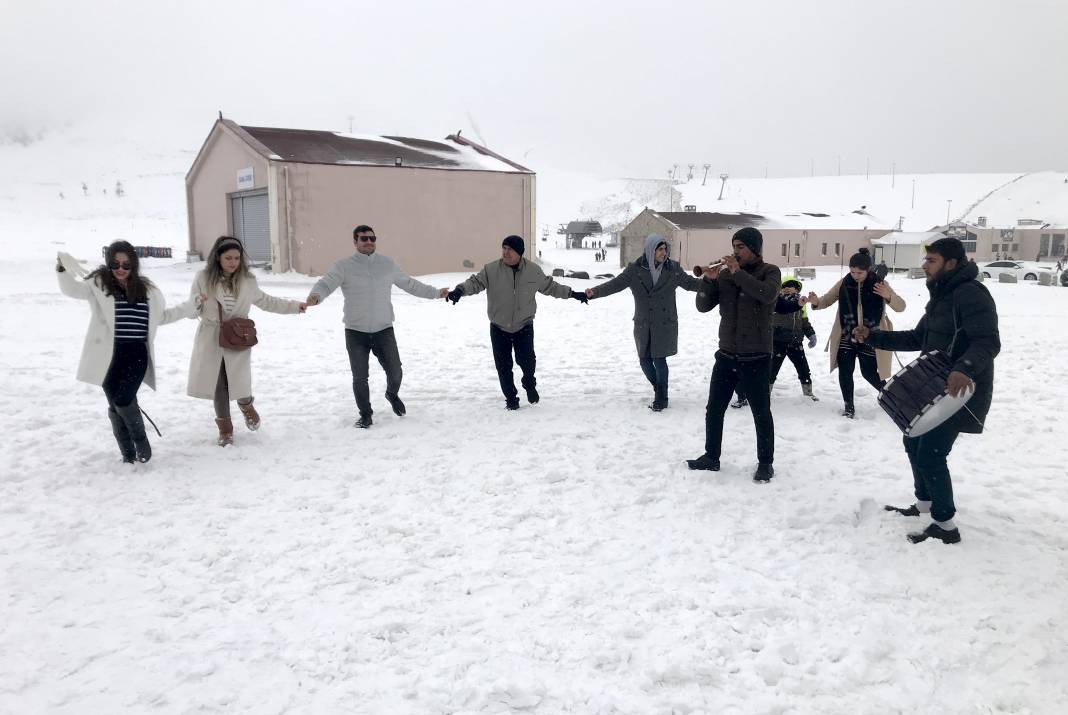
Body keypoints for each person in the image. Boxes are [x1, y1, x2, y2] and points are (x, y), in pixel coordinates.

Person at [853, 237, 999, 544]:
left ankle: (945, 526)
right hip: (935, 386)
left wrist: (964, 368)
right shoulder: (942, 296)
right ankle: (924, 504)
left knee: (931, 453)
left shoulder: (971, 295)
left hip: (960, 392)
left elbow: (987, 341)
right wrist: (873, 337)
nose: (924, 265)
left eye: (931, 260)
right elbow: (918, 338)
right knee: (913, 441)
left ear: (951, 264)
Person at [56, 241, 201, 463]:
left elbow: (162, 317)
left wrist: (192, 305)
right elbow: (72, 289)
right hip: (108, 358)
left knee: (124, 400)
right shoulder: (98, 285)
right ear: (108, 264)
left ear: (134, 265)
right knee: (114, 403)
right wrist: (62, 269)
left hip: (136, 355)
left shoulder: (148, 291)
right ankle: (127, 453)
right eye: (115, 264)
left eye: (126, 264)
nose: (120, 269)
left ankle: (141, 443)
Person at [306, 225, 449, 428]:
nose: (369, 242)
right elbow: (326, 283)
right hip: (356, 332)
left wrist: (436, 293)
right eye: (364, 238)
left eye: (372, 238)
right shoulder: (343, 266)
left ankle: (392, 394)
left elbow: (410, 284)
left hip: (383, 330)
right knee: (360, 377)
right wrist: (316, 296)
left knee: (395, 371)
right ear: (355, 242)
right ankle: (365, 414)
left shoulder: (387, 264)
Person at [186, 236, 306, 446]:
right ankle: (225, 429)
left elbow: (267, 302)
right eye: (228, 258)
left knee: (238, 380)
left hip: (237, 336)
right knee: (218, 384)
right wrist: (196, 304)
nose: (233, 262)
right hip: (211, 337)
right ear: (218, 258)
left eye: (237, 258)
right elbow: (191, 309)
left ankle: (246, 405)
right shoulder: (202, 278)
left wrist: (295, 307)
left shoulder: (248, 281)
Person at [447, 234, 587, 409]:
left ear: (519, 252)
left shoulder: (533, 271)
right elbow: (475, 282)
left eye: (510, 249)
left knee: (527, 362)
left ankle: (529, 383)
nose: (505, 253)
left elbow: (550, 287)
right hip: (499, 326)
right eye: (504, 248)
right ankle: (511, 398)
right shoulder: (491, 270)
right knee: (503, 366)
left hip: (524, 324)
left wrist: (573, 294)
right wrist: (460, 291)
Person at [686, 227, 780, 482]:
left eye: (740, 247)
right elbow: (703, 306)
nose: (735, 252)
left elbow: (768, 295)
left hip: (756, 356)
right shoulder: (725, 276)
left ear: (754, 249)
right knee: (714, 408)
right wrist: (709, 280)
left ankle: (765, 463)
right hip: (727, 353)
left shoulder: (770, 272)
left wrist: (738, 274)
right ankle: (711, 457)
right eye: (734, 246)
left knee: (761, 412)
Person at [585, 234, 702, 410]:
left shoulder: (673, 269)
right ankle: (658, 387)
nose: (664, 253)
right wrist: (594, 292)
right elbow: (615, 285)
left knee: (659, 359)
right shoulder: (635, 270)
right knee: (644, 360)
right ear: (650, 250)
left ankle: (662, 396)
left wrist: (714, 283)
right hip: (644, 323)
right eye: (660, 249)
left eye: (665, 249)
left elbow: (692, 284)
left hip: (664, 323)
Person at [808, 247, 905, 418]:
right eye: (852, 271)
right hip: (847, 334)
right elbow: (827, 300)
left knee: (869, 373)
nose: (855, 275)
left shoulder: (880, 284)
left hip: (871, 336)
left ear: (868, 270)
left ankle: (893, 398)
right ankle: (848, 406)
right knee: (845, 370)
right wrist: (816, 302)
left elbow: (901, 306)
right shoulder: (844, 283)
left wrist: (888, 295)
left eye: (860, 272)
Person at [770, 277, 819, 400]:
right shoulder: (776, 301)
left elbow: (804, 322)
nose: (786, 288)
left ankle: (808, 392)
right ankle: (766, 391)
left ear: (797, 288)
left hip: (795, 342)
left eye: (790, 285)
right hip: (777, 342)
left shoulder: (801, 303)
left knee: (803, 368)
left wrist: (811, 335)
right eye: (783, 286)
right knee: (772, 369)